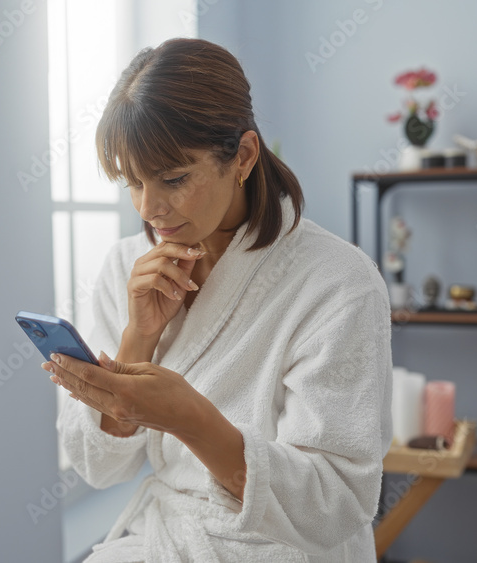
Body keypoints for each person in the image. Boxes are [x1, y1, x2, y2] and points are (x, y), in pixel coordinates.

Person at [45, 38, 392, 562]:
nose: (150, 207)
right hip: (165, 539)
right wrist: (138, 337)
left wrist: (192, 419)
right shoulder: (126, 266)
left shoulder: (338, 283)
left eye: (174, 179)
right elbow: (99, 468)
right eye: (133, 183)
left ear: (244, 156)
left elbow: (335, 503)